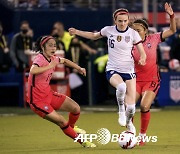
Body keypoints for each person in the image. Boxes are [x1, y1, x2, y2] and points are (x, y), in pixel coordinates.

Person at [69, 8, 146, 135]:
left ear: (128, 21)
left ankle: (129, 123)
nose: (122, 24)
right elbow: (94, 36)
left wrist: (143, 58)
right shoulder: (108, 30)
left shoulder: (133, 34)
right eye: (120, 21)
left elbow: (142, 51)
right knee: (121, 87)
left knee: (132, 108)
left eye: (125, 21)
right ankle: (121, 109)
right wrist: (77, 32)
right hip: (113, 68)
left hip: (129, 70)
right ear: (115, 20)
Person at [26, 35, 96, 148]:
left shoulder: (53, 58)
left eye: (54, 45)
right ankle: (84, 142)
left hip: (48, 94)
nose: (53, 48)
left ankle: (72, 127)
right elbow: (33, 70)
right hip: (37, 101)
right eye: (50, 45)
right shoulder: (39, 59)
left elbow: (64, 61)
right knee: (62, 122)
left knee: (76, 108)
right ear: (42, 47)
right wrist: (50, 66)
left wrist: (79, 68)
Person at [132, 2, 176, 145]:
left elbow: (172, 31)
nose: (135, 33)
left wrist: (171, 16)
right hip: (135, 80)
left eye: (138, 30)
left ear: (145, 31)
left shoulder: (154, 38)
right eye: (133, 30)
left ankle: (142, 135)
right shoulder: (128, 43)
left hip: (151, 80)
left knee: (144, 106)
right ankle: (130, 133)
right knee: (130, 107)